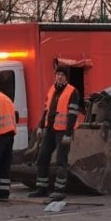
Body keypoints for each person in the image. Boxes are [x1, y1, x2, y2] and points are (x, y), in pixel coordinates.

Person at [29, 65, 80, 201]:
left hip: (63, 131)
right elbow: (46, 110)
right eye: (58, 74)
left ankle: (59, 190)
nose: (59, 77)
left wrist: (68, 134)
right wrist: (40, 126)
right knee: (42, 158)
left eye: (62, 75)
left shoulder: (72, 92)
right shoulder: (52, 89)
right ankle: (41, 188)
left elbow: (72, 115)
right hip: (50, 129)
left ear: (66, 77)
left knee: (61, 161)